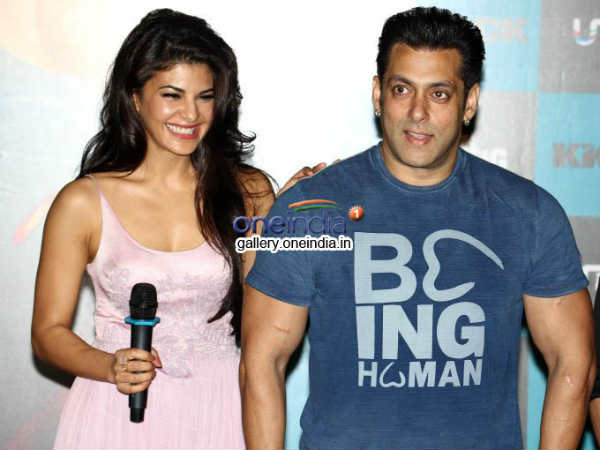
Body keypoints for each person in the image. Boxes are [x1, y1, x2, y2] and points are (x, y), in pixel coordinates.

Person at [240, 6, 595, 450]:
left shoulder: (528, 212)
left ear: (469, 103)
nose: (418, 112)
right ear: (377, 94)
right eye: (402, 89)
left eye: (440, 94)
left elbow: (572, 361)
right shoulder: (309, 210)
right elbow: (262, 362)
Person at [30, 9, 322, 449]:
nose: (191, 113)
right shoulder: (82, 202)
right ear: (135, 97)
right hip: (115, 410)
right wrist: (109, 365)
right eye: (172, 95)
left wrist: (285, 228)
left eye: (205, 97)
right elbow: (47, 334)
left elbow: (267, 328)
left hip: (219, 408)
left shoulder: (248, 192)